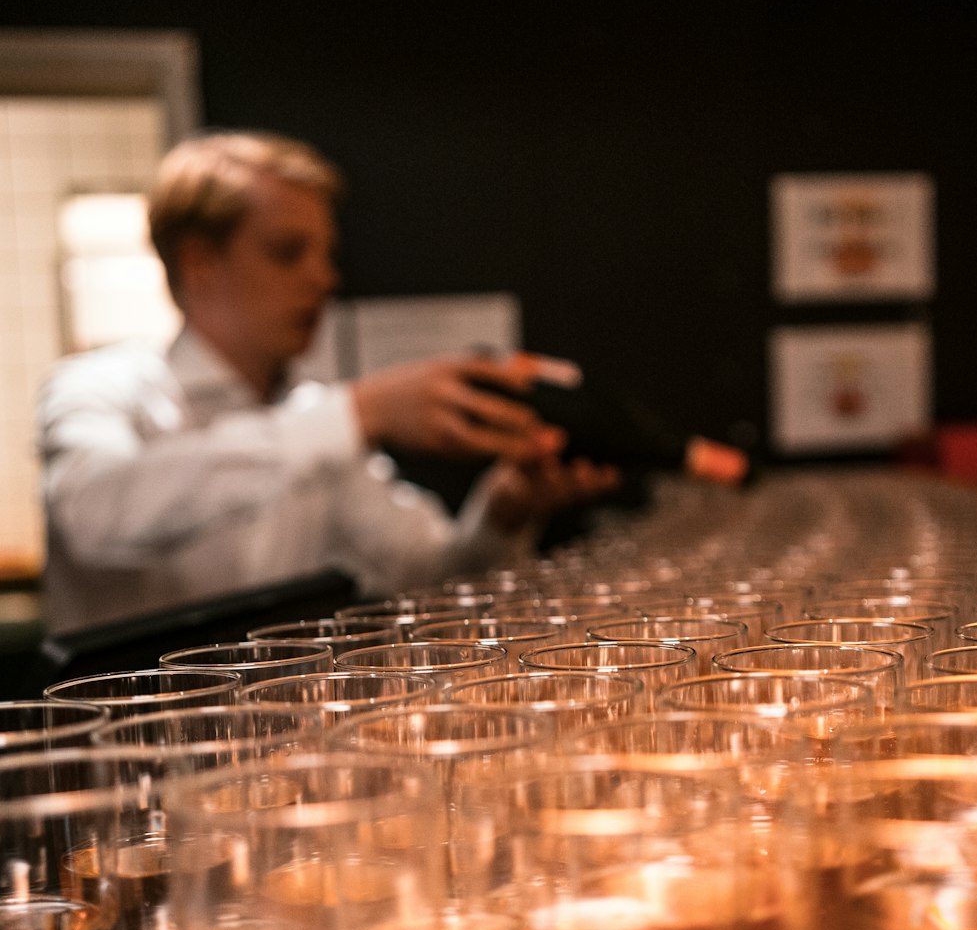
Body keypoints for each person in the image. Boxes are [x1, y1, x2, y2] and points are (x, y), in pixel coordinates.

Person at [37, 132, 619, 632]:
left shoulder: (314, 416)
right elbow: (95, 513)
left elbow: (429, 577)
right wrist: (358, 414)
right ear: (199, 261)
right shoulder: (97, 387)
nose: (324, 278)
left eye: (325, 254)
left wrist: (502, 514)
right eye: (289, 252)